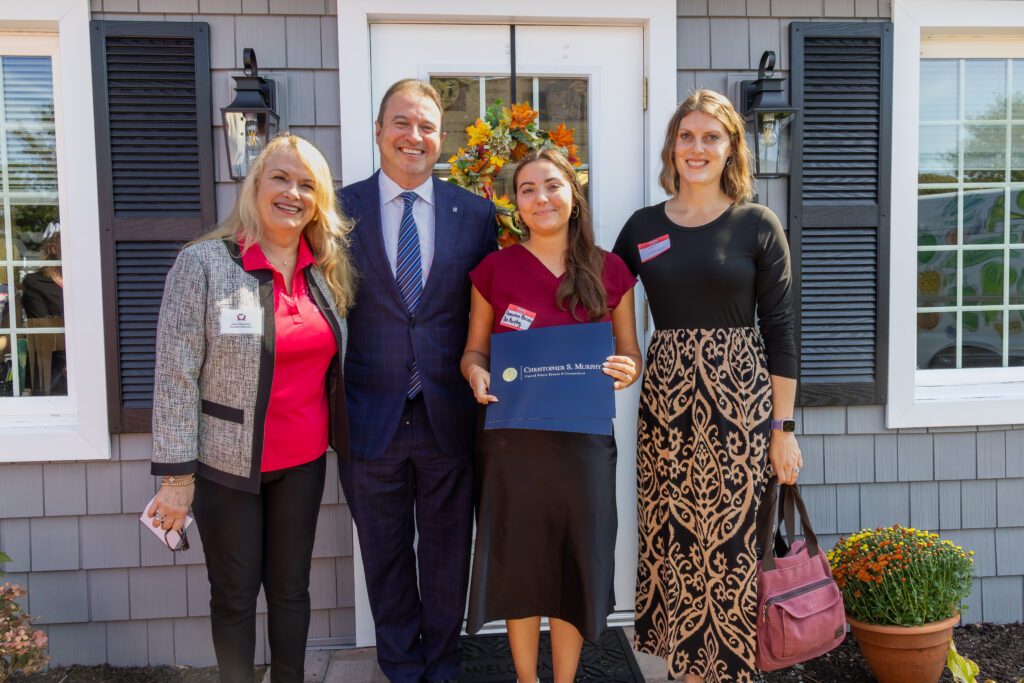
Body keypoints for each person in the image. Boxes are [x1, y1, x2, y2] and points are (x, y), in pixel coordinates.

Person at [147, 133, 356, 683]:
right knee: (234, 596)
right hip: (226, 467)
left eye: (307, 185)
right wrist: (176, 477)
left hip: (303, 463)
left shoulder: (325, 271)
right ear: (256, 186)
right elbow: (174, 376)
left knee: (291, 591)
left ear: (319, 200)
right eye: (280, 178)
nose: (292, 193)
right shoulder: (204, 264)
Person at [612, 89, 802, 683]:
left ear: (730, 148)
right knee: (671, 537)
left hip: (739, 407)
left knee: (730, 545)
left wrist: (783, 428)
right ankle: (685, 669)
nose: (697, 148)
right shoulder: (642, 227)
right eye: (687, 136)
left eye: (711, 137)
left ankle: (726, 671)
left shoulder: (756, 224)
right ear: (672, 146)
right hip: (666, 406)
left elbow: (781, 330)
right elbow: (603, 297)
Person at [336, 78, 497, 683]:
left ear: (441, 138)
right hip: (368, 414)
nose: (414, 135)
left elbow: (488, 311)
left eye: (427, 126)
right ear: (379, 131)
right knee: (384, 558)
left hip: (447, 415)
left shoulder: (474, 214)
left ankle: (443, 664)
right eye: (401, 122)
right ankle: (402, 668)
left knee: (448, 554)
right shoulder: (337, 211)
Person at [462, 147, 642, 683]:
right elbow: (474, 351)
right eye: (527, 189)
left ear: (573, 195)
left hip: (582, 445)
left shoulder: (610, 269)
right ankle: (527, 679)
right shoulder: (494, 270)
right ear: (516, 204)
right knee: (520, 566)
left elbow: (630, 352)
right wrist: (476, 374)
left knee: (572, 566)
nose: (540, 198)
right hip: (512, 444)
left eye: (552, 186)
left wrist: (625, 370)